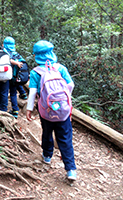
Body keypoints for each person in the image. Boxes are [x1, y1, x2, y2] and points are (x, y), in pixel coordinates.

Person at [26, 40, 77, 181]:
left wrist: (29, 109)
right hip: (63, 112)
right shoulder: (60, 68)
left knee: (47, 133)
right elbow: (71, 85)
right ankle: (71, 169)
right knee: (65, 138)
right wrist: (64, 101)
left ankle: (47, 156)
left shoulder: (36, 72)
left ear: (37, 56)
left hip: (46, 111)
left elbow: (32, 92)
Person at [3, 37, 24, 118]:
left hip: (5, 77)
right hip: (15, 77)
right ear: (14, 45)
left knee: (5, 92)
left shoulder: (5, 54)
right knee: (13, 94)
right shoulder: (17, 55)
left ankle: (3, 109)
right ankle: (15, 111)